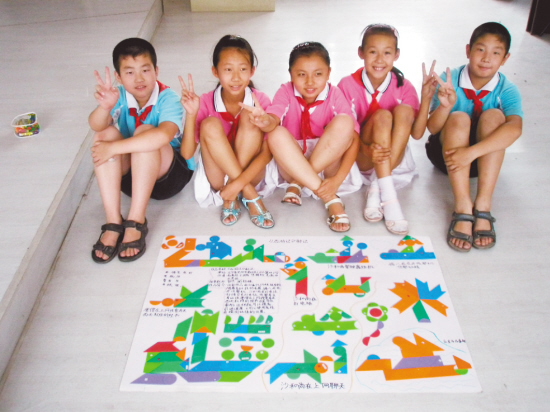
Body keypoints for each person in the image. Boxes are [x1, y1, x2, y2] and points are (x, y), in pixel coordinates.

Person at [89, 38, 193, 263]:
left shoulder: (168, 98)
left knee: (146, 133)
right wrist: (105, 107)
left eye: (145, 70)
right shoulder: (118, 96)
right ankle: (113, 222)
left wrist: (114, 148)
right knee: (102, 135)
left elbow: (163, 136)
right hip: (134, 178)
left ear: (156, 71)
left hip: (168, 178)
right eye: (129, 72)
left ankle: (136, 221)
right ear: (118, 77)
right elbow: (96, 125)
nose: (139, 79)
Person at [241, 41, 362, 233]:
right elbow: (273, 118)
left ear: (329, 73)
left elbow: (353, 138)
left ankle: (298, 184)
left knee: (346, 122)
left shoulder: (335, 94)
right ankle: (330, 198)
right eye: (301, 74)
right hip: (292, 164)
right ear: (291, 74)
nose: (310, 82)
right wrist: (265, 121)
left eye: (318, 74)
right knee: (275, 133)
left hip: (328, 163)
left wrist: (338, 180)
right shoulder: (286, 91)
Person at [425, 22, 523, 251]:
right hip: (448, 157)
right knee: (459, 117)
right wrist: (445, 106)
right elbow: (432, 128)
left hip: (481, 160)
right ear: (468, 50)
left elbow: (515, 129)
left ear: (505, 58)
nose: (486, 58)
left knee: (494, 117)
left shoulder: (507, 89)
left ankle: (483, 206)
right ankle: (462, 206)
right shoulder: (450, 79)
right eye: (480, 50)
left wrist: (470, 153)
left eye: (496, 53)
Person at [338, 24, 437, 236]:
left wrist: (426, 98)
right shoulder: (346, 85)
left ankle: (378, 187)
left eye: (387, 53)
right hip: (362, 155)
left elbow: (417, 134)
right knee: (382, 115)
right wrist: (367, 150)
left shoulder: (404, 86)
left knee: (403, 110)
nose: (379, 60)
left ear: (397, 55)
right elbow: (346, 134)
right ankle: (389, 195)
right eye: (373, 52)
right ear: (361, 53)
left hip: (392, 156)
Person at [179, 35, 275, 229]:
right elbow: (187, 154)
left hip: (251, 174)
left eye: (243, 69)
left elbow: (267, 153)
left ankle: (235, 192)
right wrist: (191, 114)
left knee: (251, 116)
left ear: (252, 71)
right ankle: (249, 195)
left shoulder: (260, 101)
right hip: (219, 177)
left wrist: (237, 183)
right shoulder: (205, 102)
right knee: (209, 124)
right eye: (228, 70)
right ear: (215, 71)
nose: (236, 77)